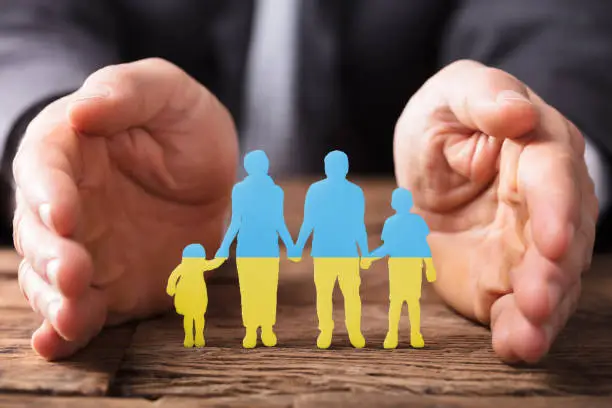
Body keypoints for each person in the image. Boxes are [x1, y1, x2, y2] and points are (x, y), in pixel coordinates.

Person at [4, 1, 606, 362]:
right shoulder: (317, 195)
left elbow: (556, 21)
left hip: (440, 217)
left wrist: (538, 149)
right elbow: (28, 19)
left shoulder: (334, 193)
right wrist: (65, 132)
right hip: (154, 209)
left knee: (337, 298)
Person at [215, 150, 293, 348]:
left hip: (252, 248)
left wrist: (224, 247)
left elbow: (236, 222)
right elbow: (278, 223)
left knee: (251, 291)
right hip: (263, 248)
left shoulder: (247, 190)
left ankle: (256, 330)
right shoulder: (272, 191)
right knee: (264, 290)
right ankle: (262, 330)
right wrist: (291, 246)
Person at [291, 151, 368, 349]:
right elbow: (309, 221)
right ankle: (326, 331)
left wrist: (365, 252)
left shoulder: (354, 192)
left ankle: (353, 331)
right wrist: (298, 247)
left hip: (345, 253)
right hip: (325, 252)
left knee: (348, 294)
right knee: (326, 294)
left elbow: (358, 225)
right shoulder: (316, 191)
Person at [362, 188, 437, 349]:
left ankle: (414, 334)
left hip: (412, 266)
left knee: (411, 302)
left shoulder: (416, 222)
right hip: (398, 267)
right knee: (397, 302)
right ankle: (392, 333)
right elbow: (387, 247)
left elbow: (423, 245)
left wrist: (429, 266)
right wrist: (370, 257)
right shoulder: (391, 223)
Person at [166, 243, 225, 348]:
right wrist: (221, 257)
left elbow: (173, 277)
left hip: (194, 294)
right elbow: (214, 263)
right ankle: (192, 337)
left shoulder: (184, 266)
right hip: (193, 294)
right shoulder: (199, 264)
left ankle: (196, 336)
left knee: (194, 317)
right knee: (196, 317)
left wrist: (171, 288)